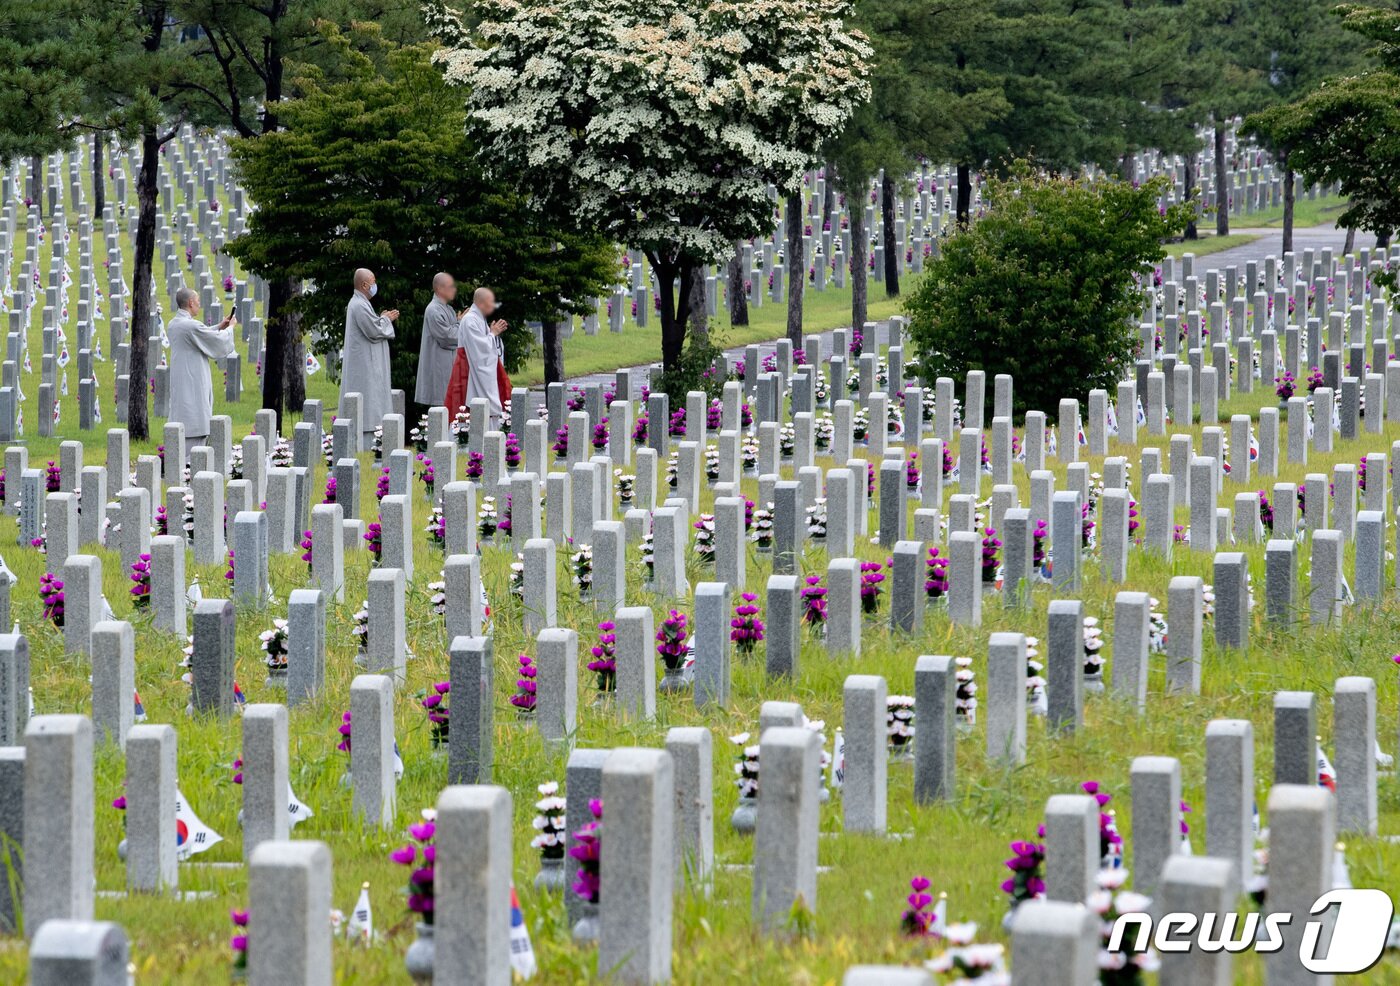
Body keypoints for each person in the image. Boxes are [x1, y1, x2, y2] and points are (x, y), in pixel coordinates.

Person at [167, 285, 237, 453]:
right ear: (191, 303)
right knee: (195, 414)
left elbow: (201, 334)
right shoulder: (190, 326)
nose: (199, 304)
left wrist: (220, 326)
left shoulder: (174, 324)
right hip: (193, 380)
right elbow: (216, 341)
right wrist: (231, 327)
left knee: (184, 410)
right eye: (198, 301)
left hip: (182, 379)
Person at [339, 268, 398, 446]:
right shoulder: (358, 305)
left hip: (366, 363)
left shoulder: (361, 303)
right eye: (372, 281)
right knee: (369, 400)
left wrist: (381, 318)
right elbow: (374, 331)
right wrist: (386, 319)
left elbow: (372, 326)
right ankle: (369, 440)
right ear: (364, 285)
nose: (374, 285)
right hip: (364, 366)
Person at [443, 286, 511, 426]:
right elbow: (479, 349)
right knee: (465, 409)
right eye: (490, 302)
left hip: (476, 368)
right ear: (480, 303)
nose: (492, 306)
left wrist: (491, 334)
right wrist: (493, 334)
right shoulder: (470, 320)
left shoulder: (478, 319)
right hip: (468, 371)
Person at [414, 272, 458, 413]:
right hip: (439, 367)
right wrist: (461, 323)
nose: (454, 289)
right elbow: (448, 337)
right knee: (441, 412)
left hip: (449, 367)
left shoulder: (448, 309)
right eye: (451, 286)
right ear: (439, 289)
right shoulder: (433, 310)